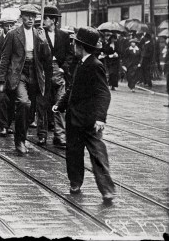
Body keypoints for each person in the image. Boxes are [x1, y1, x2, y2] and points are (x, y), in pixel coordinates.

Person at [53, 27, 116, 204]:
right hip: (74, 119)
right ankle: (75, 183)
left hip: (89, 121)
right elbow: (72, 88)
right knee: (73, 153)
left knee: (98, 155)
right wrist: (60, 105)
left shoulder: (95, 65)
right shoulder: (79, 63)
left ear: (81, 46)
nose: (72, 45)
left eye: (74, 43)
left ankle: (107, 190)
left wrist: (100, 118)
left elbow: (104, 93)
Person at [0, 4, 52, 155]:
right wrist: (0, 80)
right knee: (23, 103)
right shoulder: (13, 34)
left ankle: (22, 134)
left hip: (35, 74)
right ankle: (20, 141)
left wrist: (44, 42)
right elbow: (4, 58)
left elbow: (46, 58)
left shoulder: (39, 34)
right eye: (27, 16)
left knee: (30, 111)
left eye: (33, 16)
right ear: (21, 17)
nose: (30, 19)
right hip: (18, 74)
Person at [41, 6, 73, 148]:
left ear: (53, 20)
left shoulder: (64, 36)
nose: (43, 21)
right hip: (44, 73)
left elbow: (70, 55)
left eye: (45, 18)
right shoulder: (39, 35)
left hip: (59, 73)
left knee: (59, 104)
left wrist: (63, 67)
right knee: (43, 104)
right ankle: (42, 135)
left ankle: (60, 136)